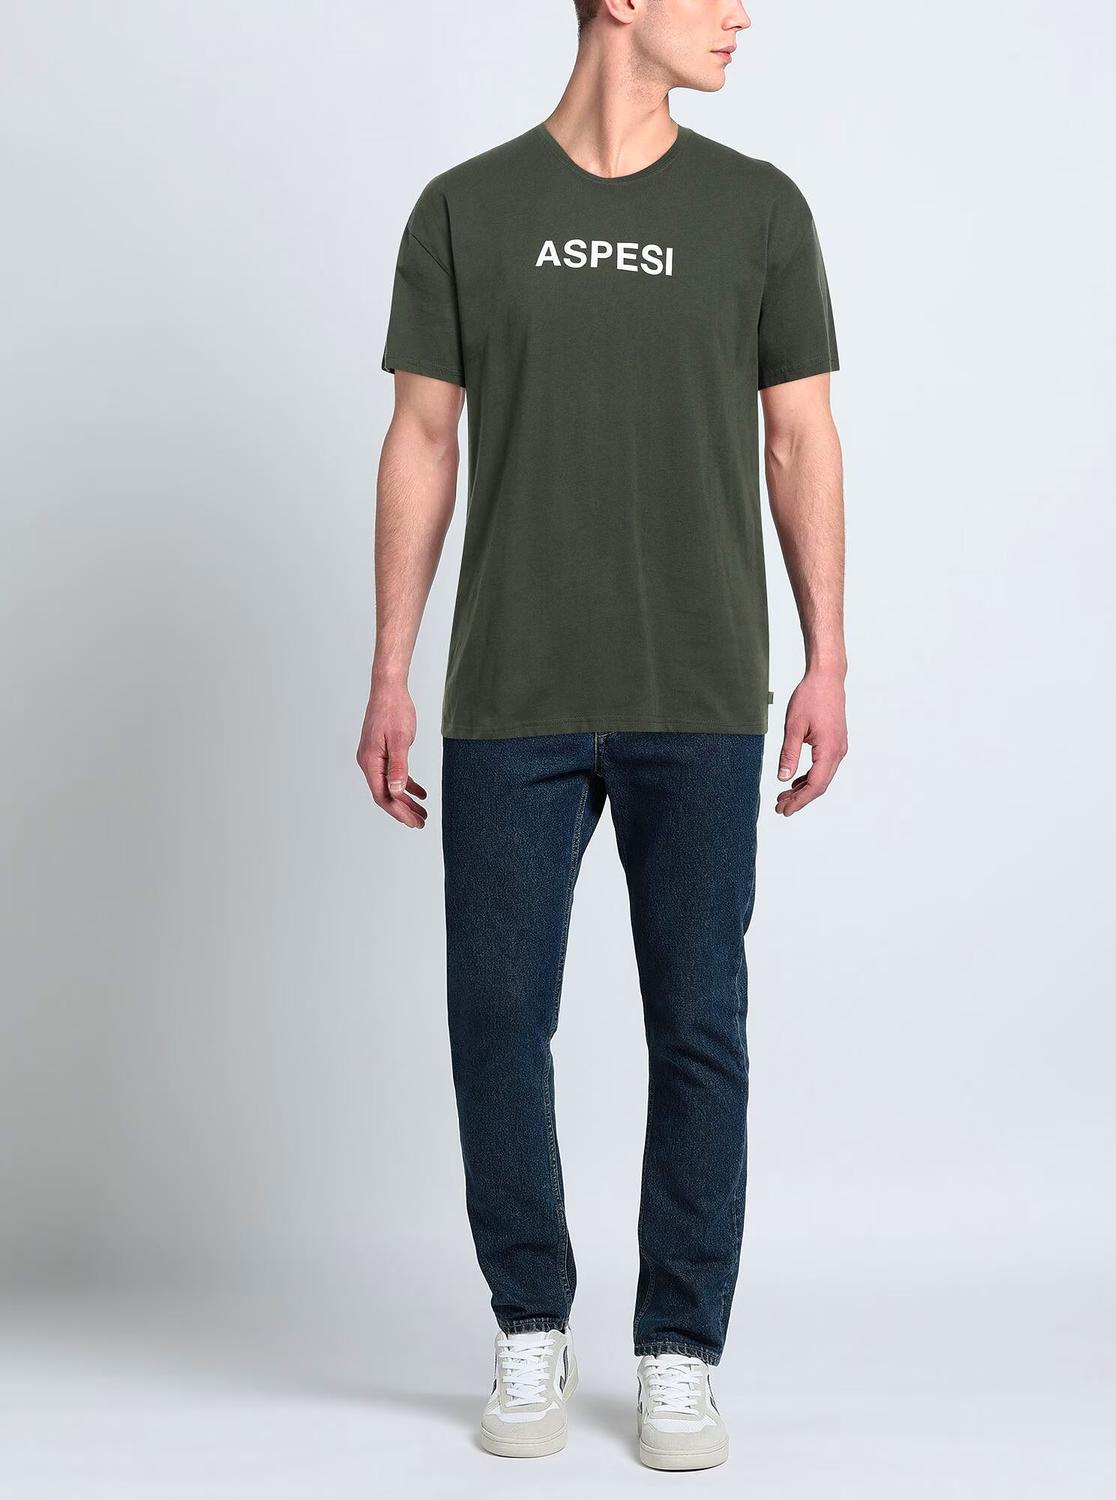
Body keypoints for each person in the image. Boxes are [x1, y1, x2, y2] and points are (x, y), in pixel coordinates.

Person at [357, 0, 846, 1471]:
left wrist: (827, 659)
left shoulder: (759, 211)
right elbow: (421, 437)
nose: (741, 14)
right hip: (513, 691)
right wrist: (390, 668)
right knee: (496, 1016)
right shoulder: (465, 209)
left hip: (699, 687)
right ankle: (530, 1321)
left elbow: (801, 436)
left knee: (699, 1022)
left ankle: (678, 1349)